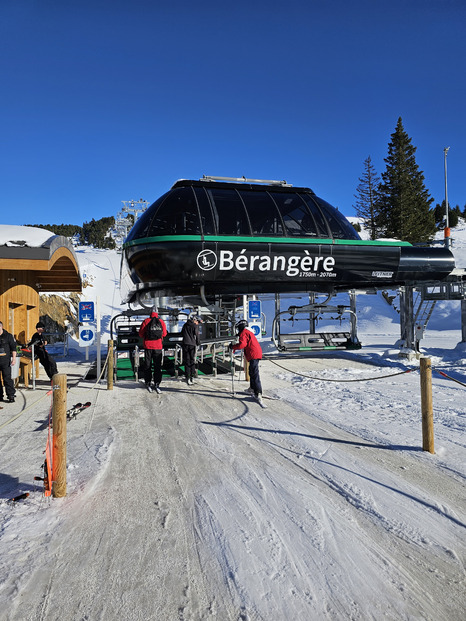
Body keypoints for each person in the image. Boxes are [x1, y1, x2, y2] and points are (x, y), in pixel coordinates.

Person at [231, 320, 263, 404]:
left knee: (254, 373)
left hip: (253, 354)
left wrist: (233, 346)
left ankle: (258, 392)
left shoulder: (244, 333)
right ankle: (252, 388)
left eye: (238, 328)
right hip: (255, 353)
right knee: (251, 371)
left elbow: (242, 344)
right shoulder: (247, 332)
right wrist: (239, 336)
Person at [138, 307, 168, 393]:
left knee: (148, 365)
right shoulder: (161, 321)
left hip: (148, 346)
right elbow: (165, 334)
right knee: (157, 366)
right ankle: (157, 383)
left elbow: (140, 334)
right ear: (157, 313)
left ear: (150, 312)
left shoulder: (146, 321)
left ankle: (148, 382)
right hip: (158, 347)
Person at [181, 314, 201, 385]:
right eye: (198, 321)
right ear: (195, 320)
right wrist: (198, 343)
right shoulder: (195, 326)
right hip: (192, 344)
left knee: (187, 360)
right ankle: (192, 376)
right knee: (192, 360)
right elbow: (197, 335)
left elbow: (182, 333)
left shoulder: (185, 325)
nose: (198, 323)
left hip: (185, 344)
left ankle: (187, 376)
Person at [0, 321, 17, 403]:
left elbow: (13, 348)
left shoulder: (8, 336)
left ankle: (10, 395)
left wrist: (14, 359)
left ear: (1, 327)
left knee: (7, 378)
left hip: (5, 361)